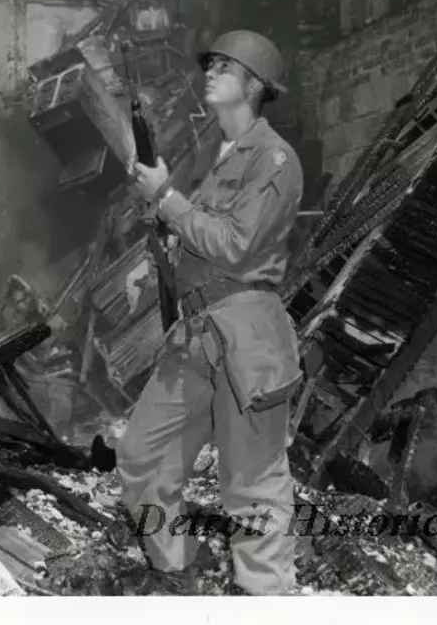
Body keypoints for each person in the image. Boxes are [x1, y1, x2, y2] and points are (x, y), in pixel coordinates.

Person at [119, 29, 305, 595]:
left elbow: (234, 245)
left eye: (225, 66)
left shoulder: (273, 159)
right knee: (143, 456)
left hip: (248, 336)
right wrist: (154, 250)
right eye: (212, 64)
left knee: (251, 487)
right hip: (196, 335)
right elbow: (195, 243)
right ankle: (179, 572)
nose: (211, 71)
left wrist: (168, 196)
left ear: (254, 85)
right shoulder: (217, 157)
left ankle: (267, 597)